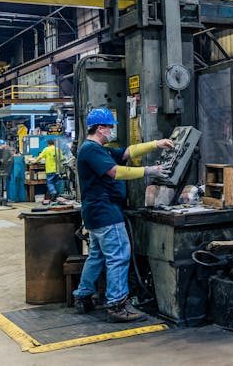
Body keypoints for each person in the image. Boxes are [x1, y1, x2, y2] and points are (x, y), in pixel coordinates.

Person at [72, 108, 173, 323]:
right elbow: (116, 172)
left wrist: (157, 143)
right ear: (100, 128)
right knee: (118, 256)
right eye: (109, 127)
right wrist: (149, 171)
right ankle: (117, 305)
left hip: (95, 213)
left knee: (97, 256)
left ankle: (83, 295)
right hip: (105, 212)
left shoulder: (99, 149)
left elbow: (128, 152)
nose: (111, 131)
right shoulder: (91, 150)